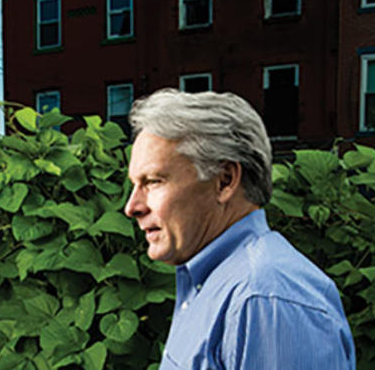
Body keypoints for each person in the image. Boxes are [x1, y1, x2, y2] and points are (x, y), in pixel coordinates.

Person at [124, 88, 356, 369]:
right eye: (135, 184)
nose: (132, 206)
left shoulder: (265, 299)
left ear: (224, 180)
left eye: (153, 181)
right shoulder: (213, 282)